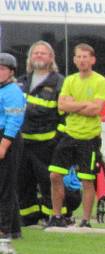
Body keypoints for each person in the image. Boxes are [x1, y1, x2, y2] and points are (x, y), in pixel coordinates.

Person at [45, 44, 105, 229]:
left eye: (85, 57)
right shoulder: (70, 80)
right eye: (78, 57)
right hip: (69, 134)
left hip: (89, 137)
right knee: (55, 175)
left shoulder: (100, 81)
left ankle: (86, 221)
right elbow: (62, 105)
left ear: (93, 60)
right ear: (74, 60)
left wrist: (75, 104)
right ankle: (57, 217)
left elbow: (96, 109)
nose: (82, 60)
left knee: (87, 179)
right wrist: (83, 105)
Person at [16, 41, 64, 226]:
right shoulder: (21, 81)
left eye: (43, 53)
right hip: (22, 141)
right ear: (30, 57)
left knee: (47, 181)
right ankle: (28, 217)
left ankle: (53, 216)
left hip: (47, 142)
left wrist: (56, 138)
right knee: (23, 182)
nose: (38, 56)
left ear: (51, 58)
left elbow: (64, 115)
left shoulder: (59, 82)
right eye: (35, 53)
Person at [0, 53, 26, 239]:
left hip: (7, 137)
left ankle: (4, 228)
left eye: (2, 69)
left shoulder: (13, 91)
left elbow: (14, 119)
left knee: (4, 185)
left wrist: (4, 145)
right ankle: (14, 227)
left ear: (11, 72)